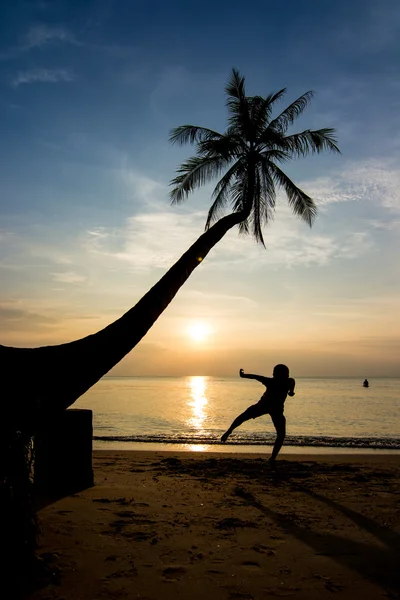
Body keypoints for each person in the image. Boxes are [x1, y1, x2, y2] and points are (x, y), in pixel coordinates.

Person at [221, 364, 295, 462]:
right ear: (275, 374)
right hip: (263, 406)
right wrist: (243, 376)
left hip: (275, 409)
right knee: (243, 416)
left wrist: (291, 392)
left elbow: (291, 388)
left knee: (281, 434)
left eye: (286, 374)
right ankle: (228, 431)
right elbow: (256, 377)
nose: (285, 376)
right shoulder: (272, 381)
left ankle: (273, 458)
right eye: (283, 374)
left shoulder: (288, 381)